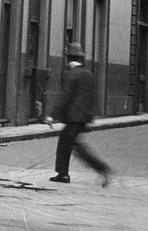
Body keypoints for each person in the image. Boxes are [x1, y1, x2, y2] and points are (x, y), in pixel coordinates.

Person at [45, 44, 113, 186]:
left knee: (65, 143)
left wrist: (51, 115)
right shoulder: (88, 74)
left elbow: (65, 96)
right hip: (83, 118)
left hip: (73, 117)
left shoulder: (72, 74)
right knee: (78, 147)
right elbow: (92, 97)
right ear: (81, 58)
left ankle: (64, 174)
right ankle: (101, 169)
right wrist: (89, 118)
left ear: (68, 58)